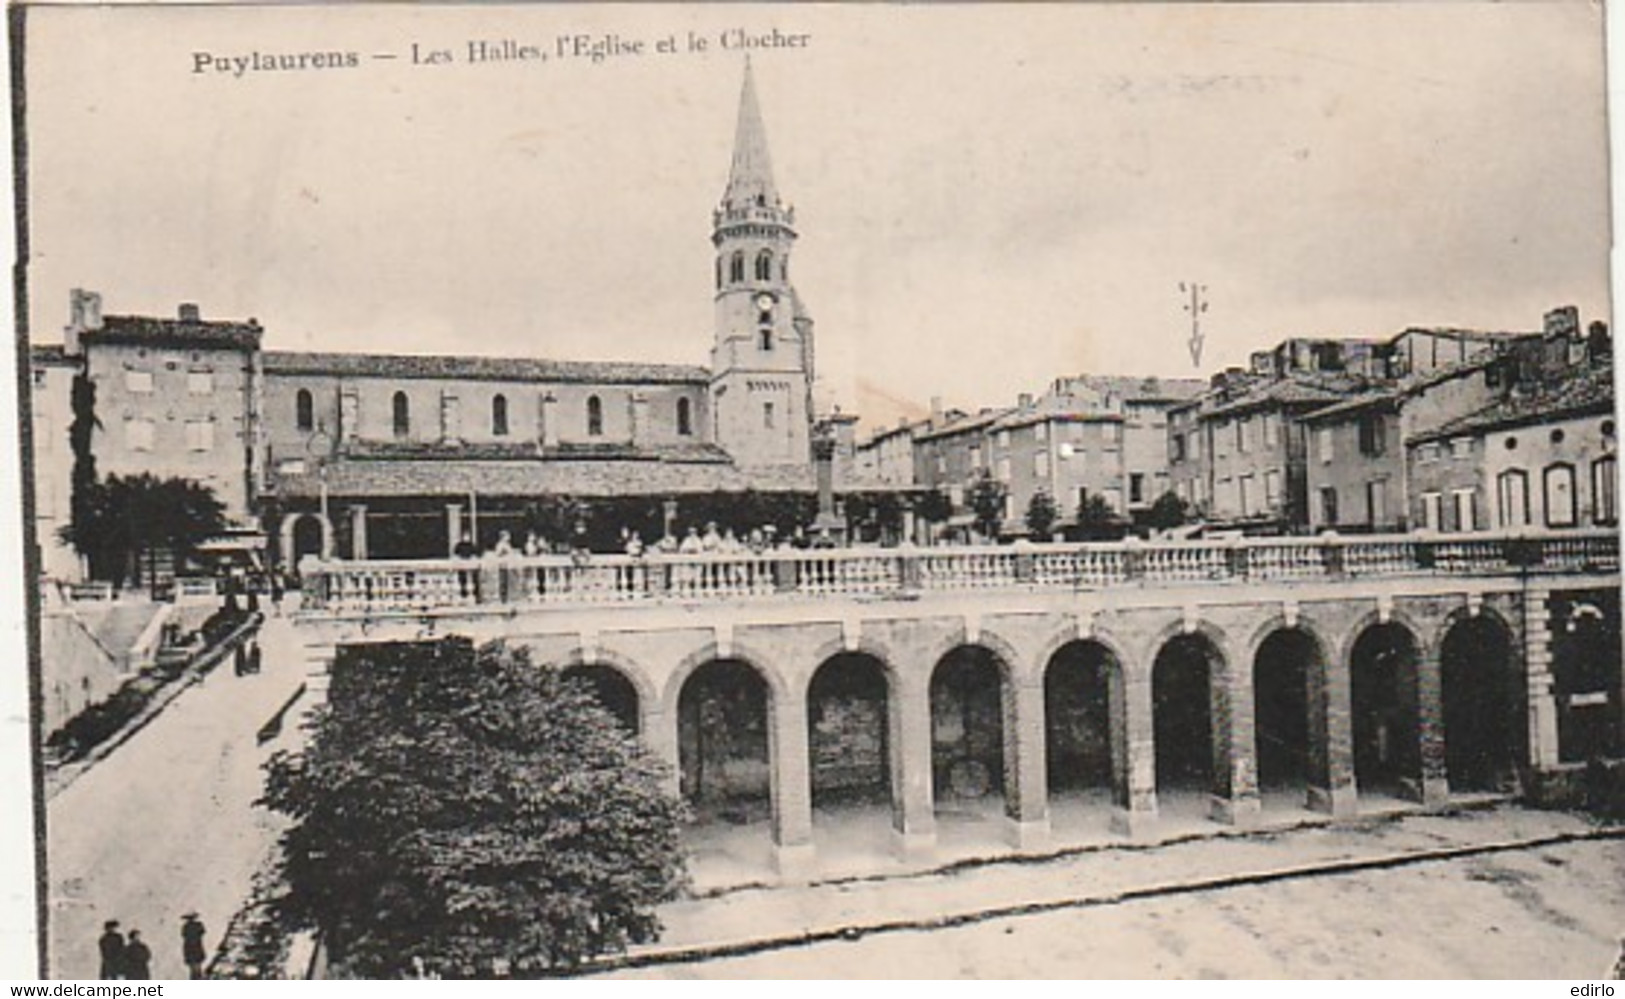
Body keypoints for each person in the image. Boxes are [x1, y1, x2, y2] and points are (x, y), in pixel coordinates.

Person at [180, 913, 207, 980]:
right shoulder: (198, 925)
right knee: (197, 968)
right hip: (197, 949)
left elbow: (184, 935)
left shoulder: (186, 927)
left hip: (190, 950)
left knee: (193, 970)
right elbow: (202, 932)